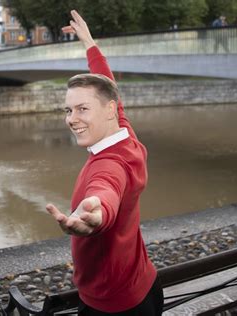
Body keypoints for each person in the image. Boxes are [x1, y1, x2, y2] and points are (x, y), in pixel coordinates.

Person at [46, 10, 163, 316]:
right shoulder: (126, 137)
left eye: (82, 109)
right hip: (143, 283)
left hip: (113, 306)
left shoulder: (109, 164)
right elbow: (107, 85)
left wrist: (98, 214)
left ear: (108, 110)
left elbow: (106, 189)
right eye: (68, 110)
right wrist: (88, 42)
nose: (72, 119)